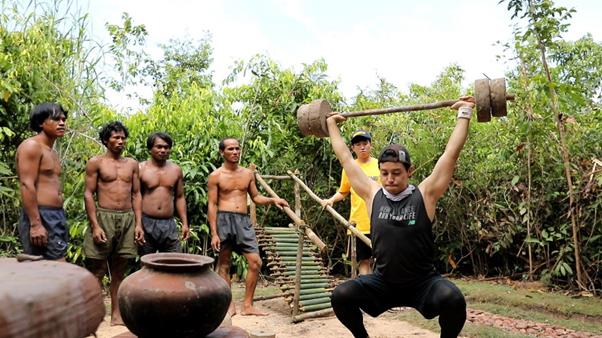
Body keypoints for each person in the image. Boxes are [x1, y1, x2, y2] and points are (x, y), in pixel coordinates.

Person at [327, 97, 476, 338]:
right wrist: (331, 124)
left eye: (396, 173)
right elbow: (345, 157)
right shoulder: (372, 194)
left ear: (409, 171)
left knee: (454, 300)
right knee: (341, 295)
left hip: (423, 282)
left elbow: (450, 155)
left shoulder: (425, 194)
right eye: (384, 173)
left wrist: (465, 112)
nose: (389, 179)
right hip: (383, 282)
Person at [208, 137, 289, 316]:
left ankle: (247, 305)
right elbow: (212, 205)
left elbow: (256, 197)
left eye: (237, 149)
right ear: (222, 152)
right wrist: (214, 232)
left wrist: (273, 200)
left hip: (243, 221)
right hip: (223, 220)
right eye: (230, 149)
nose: (235, 152)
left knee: (255, 262)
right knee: (224, 264)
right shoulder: (216, 176)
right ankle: (229, 305)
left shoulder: (247, 174)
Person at [83, 121, 144, 326]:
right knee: (98, 270)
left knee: (119, 270)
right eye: (116, 137)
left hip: (127, 218)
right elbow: (89, 194)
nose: (120, 141)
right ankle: (92, 315)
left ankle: (116, 315)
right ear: (105, 140)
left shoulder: (132, 164)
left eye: (122, 137)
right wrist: (95, 225)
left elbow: (136, 194)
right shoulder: (96, 162)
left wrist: (138, 224)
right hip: (104, 217)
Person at [321, 129, 379, 275]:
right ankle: (367, 293)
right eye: (358, 144)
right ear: (352, 148)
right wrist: (331, 200)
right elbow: (343, 191)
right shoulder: (349, 168)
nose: (362, 147)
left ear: (370, 144)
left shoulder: (380, 165)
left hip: (380, 222)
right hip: (358, 225)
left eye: (365, 143)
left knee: (382, 260)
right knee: (364, 262)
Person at [16, 103, 68, 261]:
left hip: (55, 215)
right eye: (56, 119)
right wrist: (36, 224)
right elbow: (27, 184)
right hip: (41, 214)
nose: (62, 123)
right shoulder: (32, 146)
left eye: (63, 119)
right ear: (40, 123)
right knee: (53, 267)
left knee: (50, 268)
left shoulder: (51, 152)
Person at [138, 132, 189, 255]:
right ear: (150, 149)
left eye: (166, 147)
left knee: (174, 262)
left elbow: (180, 197)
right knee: (147, 263)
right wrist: (138, 224)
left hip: (169, 223)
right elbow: (136, 196)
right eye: (159, 147)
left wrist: (185, 223)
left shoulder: (176, 170)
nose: (163, 150)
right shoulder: (141, 168)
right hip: (146, 222)